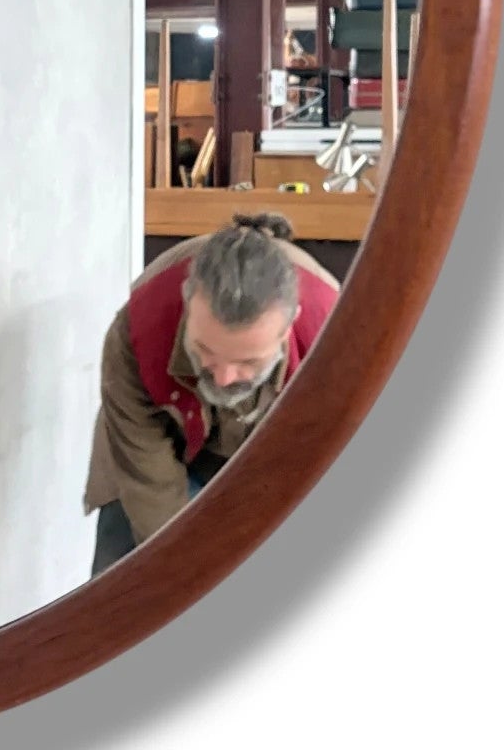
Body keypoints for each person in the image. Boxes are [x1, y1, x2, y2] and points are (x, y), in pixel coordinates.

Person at [83, 212, 339, 575]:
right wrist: (177, 570)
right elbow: (146, 473)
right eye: (205, 350)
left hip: (274, 463)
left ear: (288, 327)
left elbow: (326, 471)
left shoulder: (336, 341)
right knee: (124, 590)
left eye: (247, 361)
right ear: (188, 307)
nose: (223, 378)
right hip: (153, 449)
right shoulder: (139, 328)